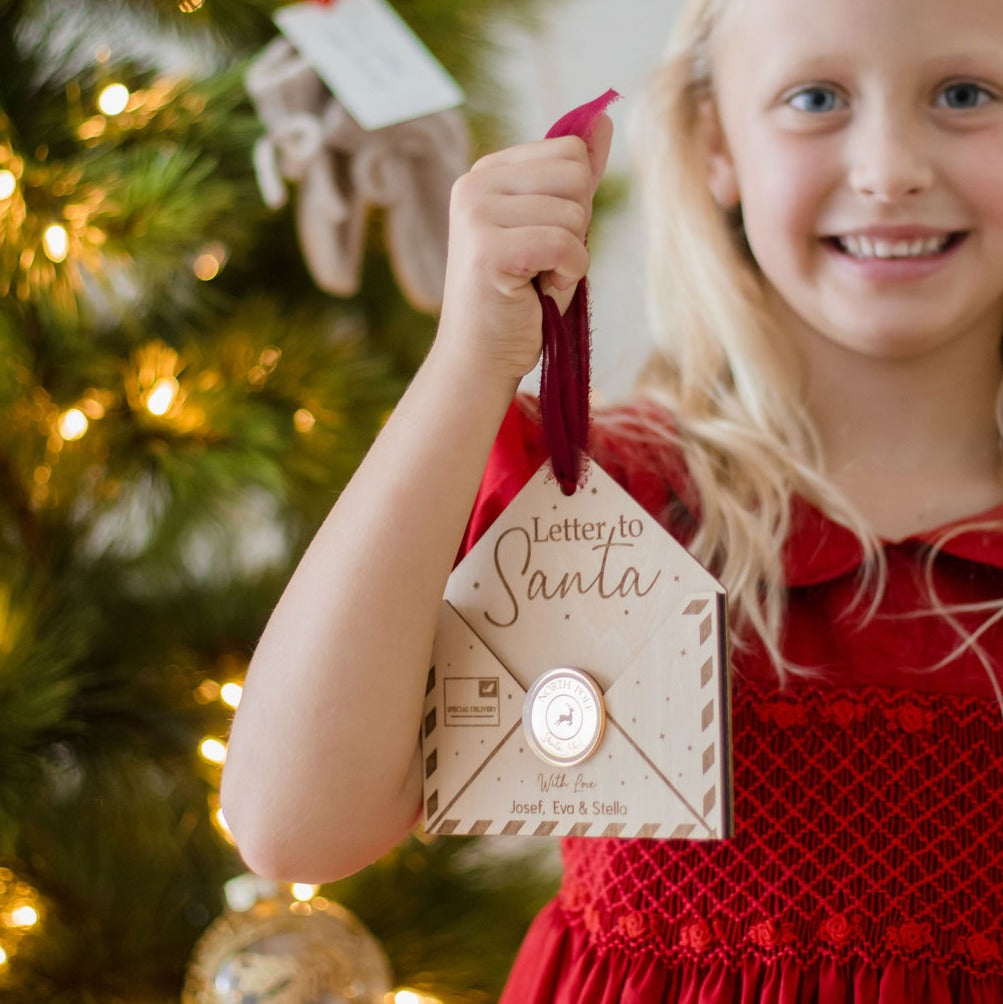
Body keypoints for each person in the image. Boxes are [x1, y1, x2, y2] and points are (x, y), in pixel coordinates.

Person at [221, 0, 1003, 998]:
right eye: (815, 97)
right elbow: (296, 823)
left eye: (965, 93)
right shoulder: (601, 490)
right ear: (717, 144)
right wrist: (467, 361)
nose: (890, 167)